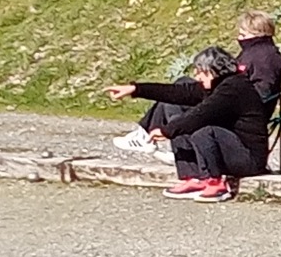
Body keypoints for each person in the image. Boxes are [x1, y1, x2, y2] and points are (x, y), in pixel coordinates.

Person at [106, 45, 271, 201]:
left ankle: (216, 184)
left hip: (249, 159)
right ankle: (192, 177)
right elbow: (177, 92)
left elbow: (201, 115)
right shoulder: (217, 85)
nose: (197, 76)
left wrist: (167, 131)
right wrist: (135, 89)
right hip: (231, 151)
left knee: (205, 131)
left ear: (212, 72)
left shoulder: (233, 89)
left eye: (200, 72)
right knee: (172, 105)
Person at [113, 11, 281, 157]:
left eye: (243, 35)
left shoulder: (265, 58)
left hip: (237, 111)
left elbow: (261, 92)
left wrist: (222, 97)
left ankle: (177, 149)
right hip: (229, 100)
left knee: (177, 99)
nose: (238, 39)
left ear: (258, 34)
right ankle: (147, 134)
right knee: (180, 88)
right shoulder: (254, 52)